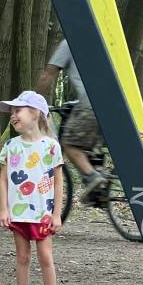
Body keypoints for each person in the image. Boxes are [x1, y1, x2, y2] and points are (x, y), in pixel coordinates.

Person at [0, 90, 68, 285]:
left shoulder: (51, 147)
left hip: (43, 214)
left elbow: (58, 183)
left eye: (18, 110)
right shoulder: (10, 146)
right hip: (19, 213)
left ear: (36, 113)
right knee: (22, 257)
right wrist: (4, 209)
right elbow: (4, 181)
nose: (13, 115)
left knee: (46, 257)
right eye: (11, 112)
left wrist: (57, 214)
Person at [36, 39, 106, 203]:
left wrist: (33, 99)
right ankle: (100, 190)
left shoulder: (70, 42)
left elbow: (49, 74)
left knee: (69, 145)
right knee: (90, 146)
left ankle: (93, 177)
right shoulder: (102, 40)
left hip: (90, 102)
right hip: (113, 103)